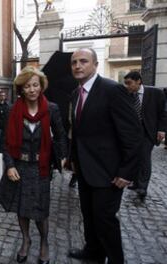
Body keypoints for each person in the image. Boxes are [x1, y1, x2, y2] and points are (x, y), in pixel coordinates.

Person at [67, 48, 142, 263]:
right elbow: (80, 132)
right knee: (89, 216)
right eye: (74, 62)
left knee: (105, 220)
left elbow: (133, 134)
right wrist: (72, 159)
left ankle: (116, 260)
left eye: (83, 61)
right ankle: (93, 252)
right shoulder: (76, 93)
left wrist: (127, 172)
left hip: (108, 173)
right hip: (84, 170)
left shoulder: (113, 90)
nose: (78, 66)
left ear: (95, 65)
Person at [0, 66, 67, 264]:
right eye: (27, 86)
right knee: (22, 208)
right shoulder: (12, 109)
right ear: (21, 89)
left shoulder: (51, 109)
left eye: (35, 85)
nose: (32, 89)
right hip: (19, 167)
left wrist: (62, 156)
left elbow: (60, 136)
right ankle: (26, 240)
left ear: (41, 86)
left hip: (41, 167)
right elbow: (5, 142)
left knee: (40, 210)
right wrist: (9, 166)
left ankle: (44, 242)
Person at [123, 71, 167, 201]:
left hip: (149, 131)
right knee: (135, 156)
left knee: (144, 157)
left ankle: (142, 187)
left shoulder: (155, 93)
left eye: (129, 83)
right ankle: (136, 182)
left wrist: (162, 130)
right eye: (125, 83)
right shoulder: (128, 95)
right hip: (133, 133)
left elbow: (164, 113)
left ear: (138, 81)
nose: (127, 86)